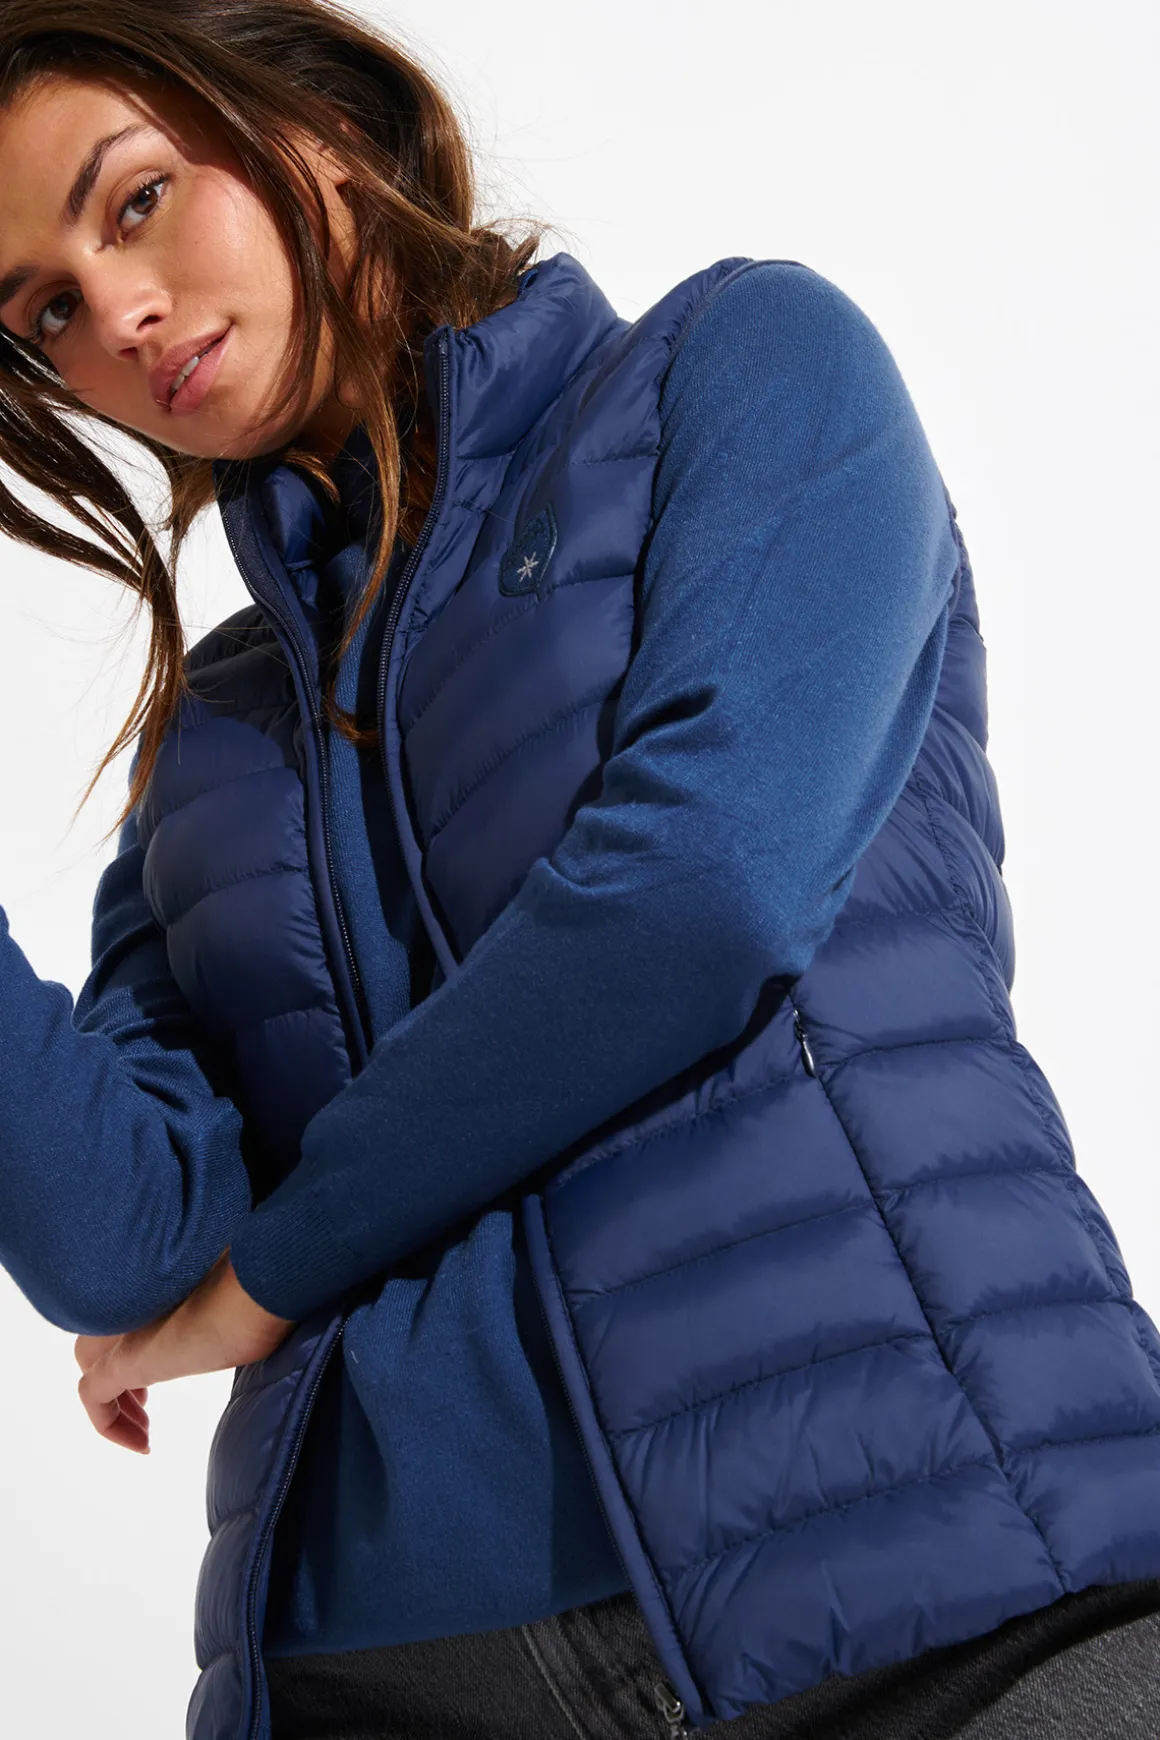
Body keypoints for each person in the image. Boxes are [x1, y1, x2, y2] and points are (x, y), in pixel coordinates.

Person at [1, 4, 1159, 1738]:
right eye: (43, 311)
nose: (117, 314)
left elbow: (701, 892)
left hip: (927, 1574)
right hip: (384, 1672)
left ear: (319, 126)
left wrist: (272, 1277)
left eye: (139, 201)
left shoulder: (742, 365)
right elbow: (119, 1242)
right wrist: (215, 1275)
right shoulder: (213, 740)